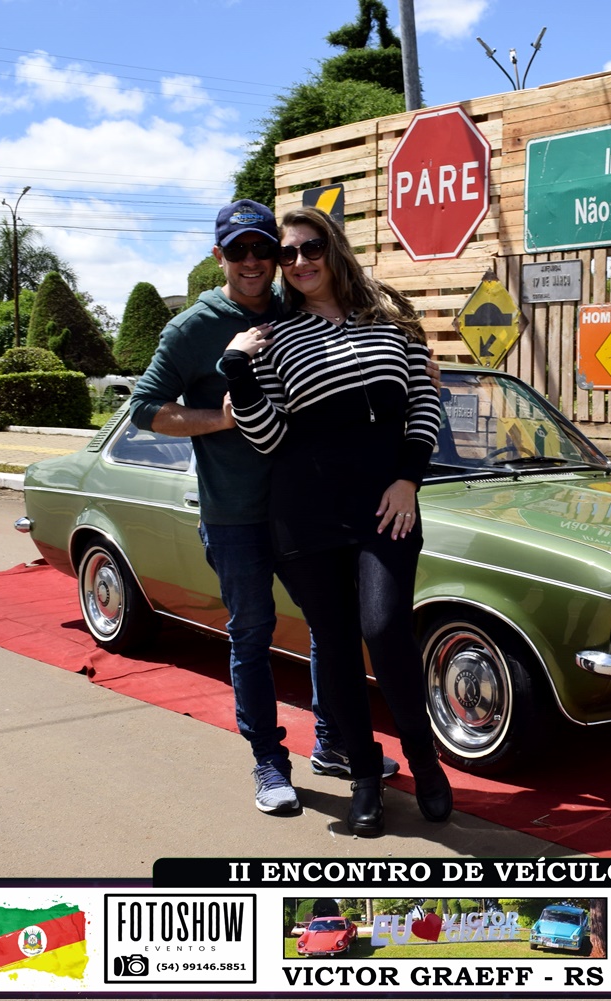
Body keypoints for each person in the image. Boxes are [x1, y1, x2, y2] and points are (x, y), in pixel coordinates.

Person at [128, 199, 399, 817]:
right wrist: (218, 419)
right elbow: (145, 407)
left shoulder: (293, 307)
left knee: (330, 628)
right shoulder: (192, 328)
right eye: (239, 251)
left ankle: (333, 742)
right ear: (218, 256)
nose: (253, 261)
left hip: (306, 509)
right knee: (251, 633)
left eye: (264, 250)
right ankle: (269, 761)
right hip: (236, 515)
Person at [221, 206, 452, 837]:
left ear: (334, 249)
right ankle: (364, 777)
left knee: (385, 628)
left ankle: (426, 761)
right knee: (337, 646)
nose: (299, 261)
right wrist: (237, 369)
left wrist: (409, 478)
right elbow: (268, 437)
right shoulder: (277, 338)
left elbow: (424, 401)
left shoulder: (391, 320)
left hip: (385, 506)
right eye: (288, 253)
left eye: (311, 247)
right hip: (305, 513)